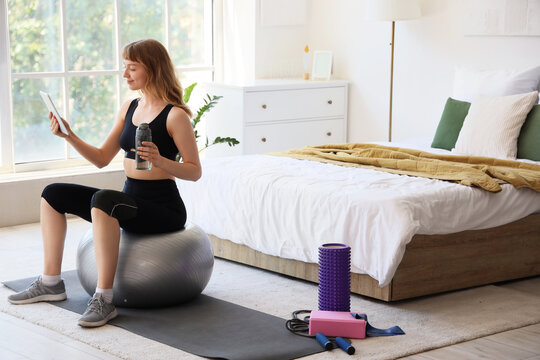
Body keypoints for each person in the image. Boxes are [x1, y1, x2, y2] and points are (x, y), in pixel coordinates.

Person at [7, 39, 201, 328]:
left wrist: (161, 160)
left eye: (132, 68)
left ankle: (104, 299)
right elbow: (101, 158)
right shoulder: (129, 108)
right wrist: (68, 136)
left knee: (104, 202)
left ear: (153, 68)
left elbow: (194, 171)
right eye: (125, 68)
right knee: (53, 194)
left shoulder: (175, 116)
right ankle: (51, 283)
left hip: (162, 208)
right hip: (129, 200)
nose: (125, 75)